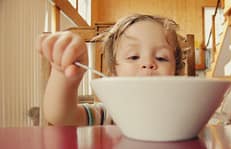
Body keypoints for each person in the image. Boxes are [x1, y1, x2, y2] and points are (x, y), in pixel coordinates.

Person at [37, 14, 183, 126]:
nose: (148, 63)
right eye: (133, 56)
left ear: (176, 73)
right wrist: (64, 73)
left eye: (161, 58)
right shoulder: (108, 113)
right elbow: (60, 116)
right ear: (113, 73)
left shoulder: (186, 113)